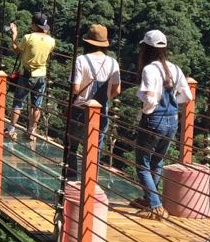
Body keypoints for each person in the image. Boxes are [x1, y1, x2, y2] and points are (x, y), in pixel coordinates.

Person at [132, 29, 193, 220]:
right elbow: (187, 96)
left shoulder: (149, 69)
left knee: (142, 164)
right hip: (172, 121)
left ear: (146, 49)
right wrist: (172, 101)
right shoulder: (175, 68)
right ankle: (150, 198)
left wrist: (144, 108)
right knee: (157, 162)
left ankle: (155, 205)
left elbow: (149, 98)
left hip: (154, 119)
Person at [66, 23, 121, 181]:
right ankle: (90, 183)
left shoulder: (81, 60)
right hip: (101, 112)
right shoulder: (113, 63)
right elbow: (117, 90)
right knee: (94, 149)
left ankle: (72, 180)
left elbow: (75, 88)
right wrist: (103, 100)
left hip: (79, 109)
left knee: (72, 147)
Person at [5, 12, 56, 143]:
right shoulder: (51, 41)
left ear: (33, 24)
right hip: (42, 76)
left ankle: (11, 130)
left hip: (26, 75)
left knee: (18, 102)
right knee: (36, 105)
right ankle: (32, 131)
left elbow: (16, 49)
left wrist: (14, 35)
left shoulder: (28, 37)